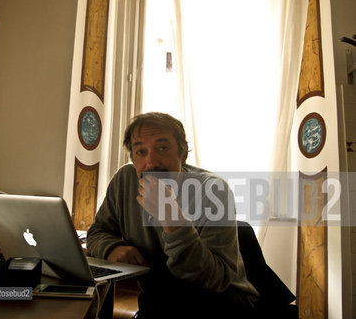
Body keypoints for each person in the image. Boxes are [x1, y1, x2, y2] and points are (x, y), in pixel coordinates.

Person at [87, 112, 259, 318]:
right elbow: (97, 232)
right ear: (132, 159)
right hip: (160, 298)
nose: (151, 162)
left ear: (183, 152)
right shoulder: (124, 180)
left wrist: (171, 218)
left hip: (223, 301)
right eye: (141, 151)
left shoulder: (213, 190)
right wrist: (111, 248)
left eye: (162, 148)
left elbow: (215, 280)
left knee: (159, 301)